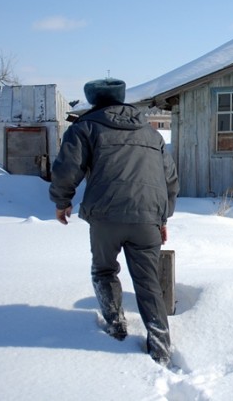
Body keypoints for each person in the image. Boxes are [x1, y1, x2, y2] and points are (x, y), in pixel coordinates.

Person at [49, 78, 179, 366]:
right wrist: (162, 217)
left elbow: (67, 169)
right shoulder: (151, 134)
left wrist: (62, 202)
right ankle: (160, 346)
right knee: (148, 283)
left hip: (106, 217)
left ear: (94, 100)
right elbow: (169, 180)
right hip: (147, 219)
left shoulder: (84, 127)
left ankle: (116, 325)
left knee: (104, 269)